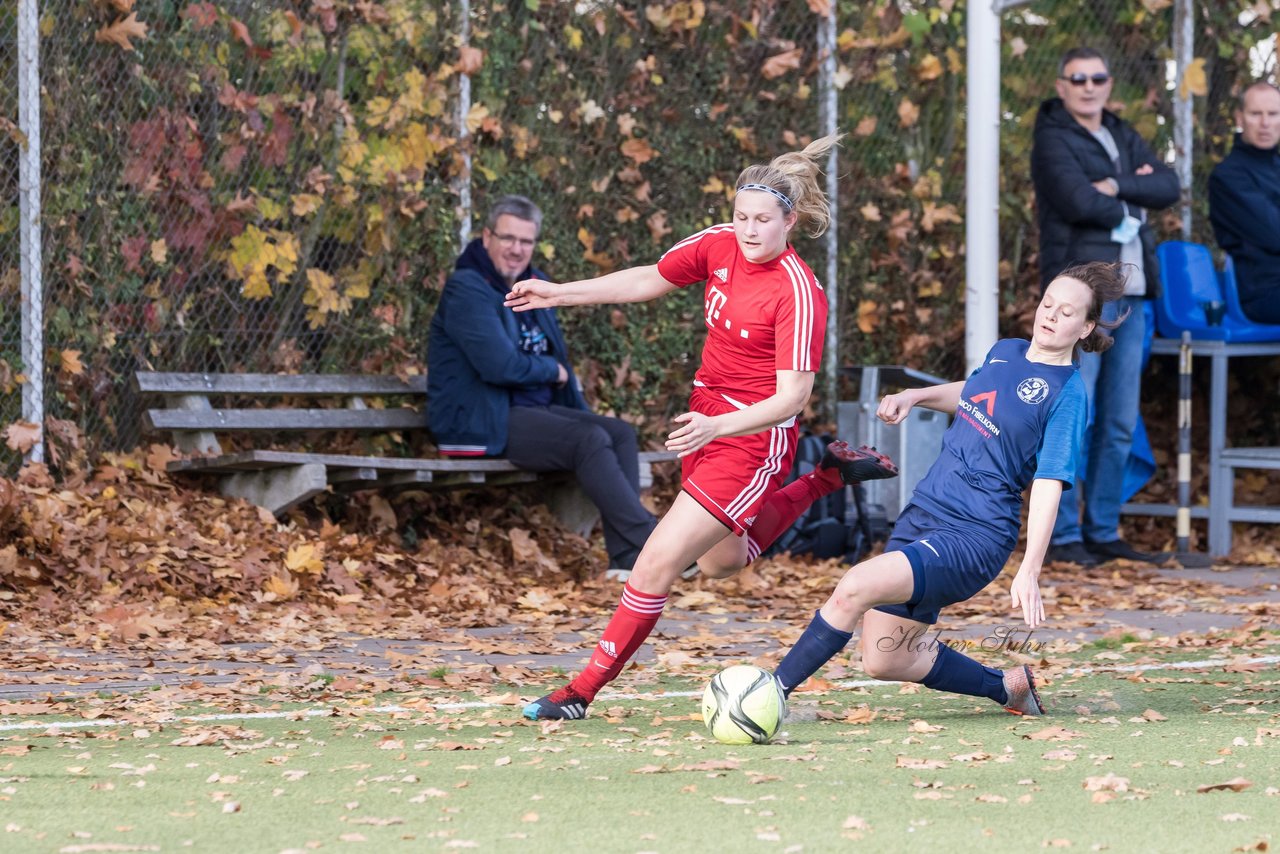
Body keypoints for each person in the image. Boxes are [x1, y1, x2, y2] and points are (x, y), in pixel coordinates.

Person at [506, 134, 899, 721]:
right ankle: (825, 479)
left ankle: (579, 693)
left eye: (762, 219)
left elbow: (792, 398)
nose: (748, 229)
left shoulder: (799, 292)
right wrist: (559, 292)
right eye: (741, 216)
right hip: (708, 421)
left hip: (753, 438)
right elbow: (650, 279)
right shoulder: (719, 245)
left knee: (656, 559)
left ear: (789, 221)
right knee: (720, 563)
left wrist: (718, 429)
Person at [772, 262, 1128, 716]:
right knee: (885, 658)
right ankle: (1008, 687)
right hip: (925, 512)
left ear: (1086, 327)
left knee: (855, 585)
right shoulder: (1007, 350)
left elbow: (1048, 483)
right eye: (1047, 304)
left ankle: (771, 692)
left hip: (975, 534)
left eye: (1067, 312)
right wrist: (915, 396)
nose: (1051, 316)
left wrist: (1031, 568)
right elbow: (977, 394)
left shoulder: (1067, 394)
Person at [427, 194, 659, 576]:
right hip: (482, 419)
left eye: (526, 241)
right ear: (486, 237)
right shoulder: (467, 289)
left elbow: (552, 360)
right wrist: (552, 372)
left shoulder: (534, 287)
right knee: (588, 440)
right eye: (508, 239)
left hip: (529, 412)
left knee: (617, 433)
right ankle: (653, 541)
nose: (517, 250)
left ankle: (628, 560)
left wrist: (573, 400)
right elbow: (499, 366)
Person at [1030, 47, 1179, 567]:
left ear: (1109, 83)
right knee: (1077, 414)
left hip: (1131, 298)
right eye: (1079, 78)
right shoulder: (1052, 138)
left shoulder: (1120, 131)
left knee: (1118, 420)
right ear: (1062, 85)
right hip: (1083, 295)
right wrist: (1138, 196)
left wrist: (1118, 186)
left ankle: (1104, 529)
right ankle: (1064, 534)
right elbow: (1076, 201)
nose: (1089, 87)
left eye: (1098, 77)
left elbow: (1170, 185)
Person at [1209, 81, 1280, 324]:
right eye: (1256, 114)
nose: (1265, 123)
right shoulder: (1229, 176)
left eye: (1272, 114)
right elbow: (1274, 233)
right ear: (1240, 118)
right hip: (1263, 293)